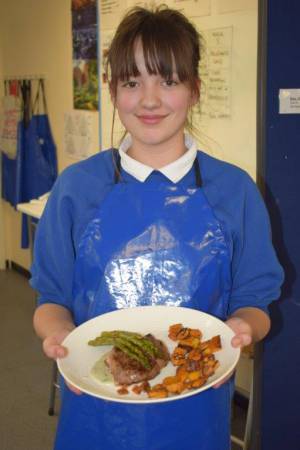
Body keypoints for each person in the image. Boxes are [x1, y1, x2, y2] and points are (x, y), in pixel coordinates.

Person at [31, 6, 284, 450]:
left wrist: (242, 328)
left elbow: (255, 300)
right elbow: (50, 300)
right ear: (112, 91)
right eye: (132, 83)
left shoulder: (234, 191)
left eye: (168, 81)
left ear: (194, 89)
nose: (149, 100)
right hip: (95, 405)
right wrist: (57, 334)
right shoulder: (76, 188)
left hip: (195, 407)